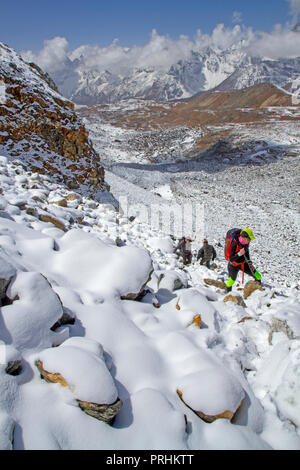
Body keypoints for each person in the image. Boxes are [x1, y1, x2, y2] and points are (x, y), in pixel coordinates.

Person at [225, 227, 262, 293]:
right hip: (233, 265)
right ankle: (226, 294)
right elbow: (231, 259)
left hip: (244, 263)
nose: (249, 241)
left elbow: (247, 253)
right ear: (243, 237)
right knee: (231, 281)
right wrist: (239, 254)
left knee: (258, 276)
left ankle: (259, 291)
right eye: (248, 239)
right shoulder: (234, 243)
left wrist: (250, 263)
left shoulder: (245, 243)